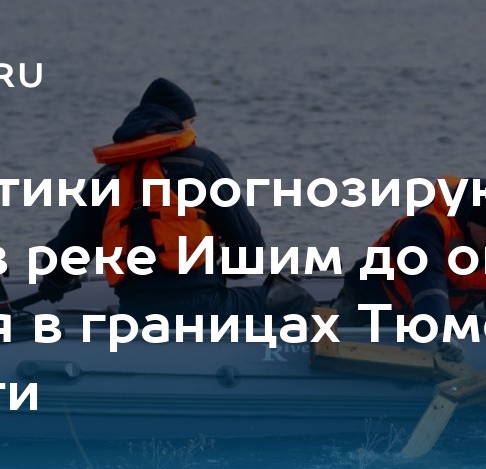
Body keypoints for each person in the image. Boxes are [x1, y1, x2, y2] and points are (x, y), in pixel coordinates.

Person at [39, 78, 313, 318]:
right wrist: (229, 268)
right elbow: (249, 248)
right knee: (294, 298)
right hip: (204, 308)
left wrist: (55, 283)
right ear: (177, 123)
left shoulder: (106, 177)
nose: (193, 131)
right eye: (191, 123)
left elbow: (63, 255)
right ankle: (327, 350)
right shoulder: (202, 164)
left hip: (136, 312)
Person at [334, 177, 486, 358]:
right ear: (469, 222)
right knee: (338, 322)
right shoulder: (424, 228)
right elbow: (427, 279)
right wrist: (441, 329)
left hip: (438, 316)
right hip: (373, 300)